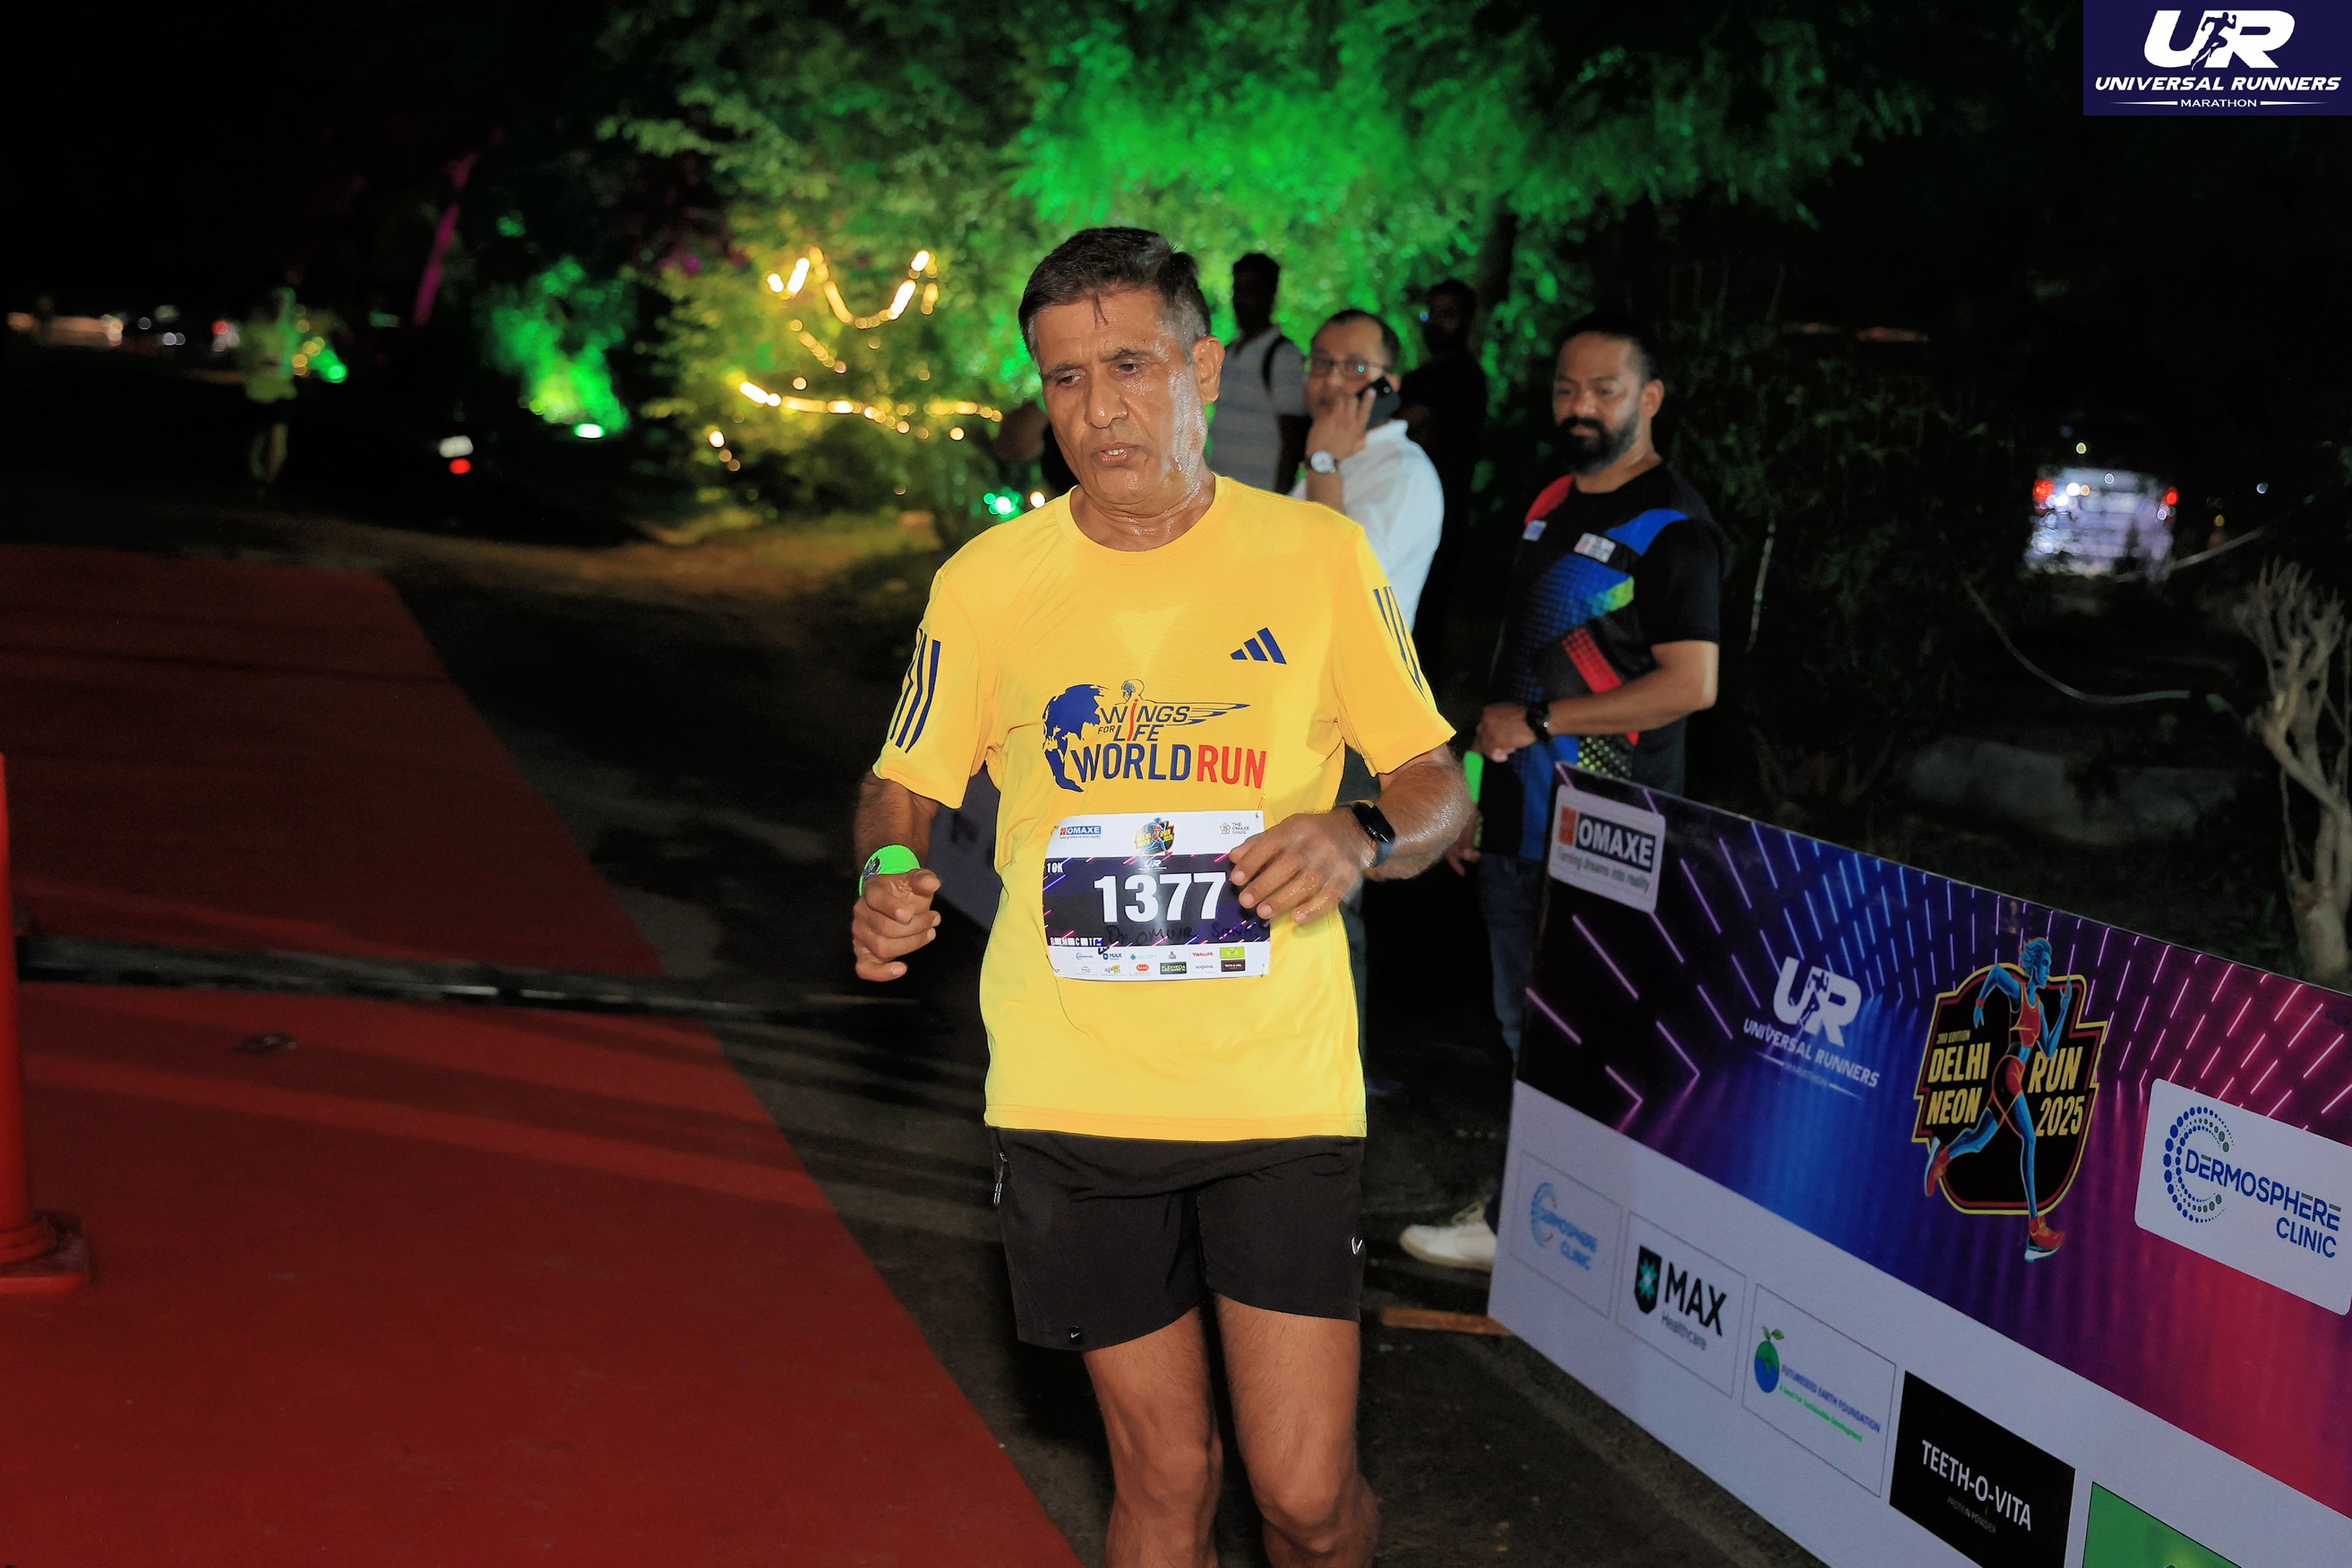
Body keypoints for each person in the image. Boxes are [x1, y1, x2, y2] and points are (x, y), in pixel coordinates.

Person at [850, 227, 1471, 1567]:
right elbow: (900, 784)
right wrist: (889, 871)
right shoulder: (989, 581)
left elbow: (1437, 785)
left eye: (1130, 364)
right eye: (1065, 377)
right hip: (1072, 1091)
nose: (1097, 408)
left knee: (1305, 1500)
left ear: (1202, 368)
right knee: (1166, 1477)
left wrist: (1359, 829)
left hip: (1276, 1090)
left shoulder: (1317, 557)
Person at [1400, 312, 1724, 1272]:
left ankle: (1545, 1227)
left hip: (1606, 827)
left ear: (1649, 399)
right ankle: (1534, 1214)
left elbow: (1691, 684)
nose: (1580, 407)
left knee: (1583, 1035)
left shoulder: (1674, 528)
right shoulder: (1549, 502)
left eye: (1604, 390)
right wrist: (1473, 793)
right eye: (1566, 389)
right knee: (1521, 1027)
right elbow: (1516, 665)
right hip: (1517, 813)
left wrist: (1542, 724)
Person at [1290, 308, 1444, 1087]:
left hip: (1354, 718)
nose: (1333, 380)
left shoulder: (1402, 472)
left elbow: (1340, 588)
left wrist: (1324, 458)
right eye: (1321, 362)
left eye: (1355, 367)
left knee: (1327, 887)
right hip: (1297, 708)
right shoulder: (1333, 462)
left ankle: (1335, 1080)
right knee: (1294, 883)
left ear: (1392, 382)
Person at [1922, 937, 2069, 1261]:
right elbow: (1995, 973)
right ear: (2033, 965)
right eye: (2045, 964)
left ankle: (1942, 1156)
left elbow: (2048, 1049)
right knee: (2030, 1139)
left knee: (1978, 1141)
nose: (2048, 970)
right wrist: (1979, 1004)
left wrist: (2064, 1010)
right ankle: (2035, 1229)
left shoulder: (2041, 1006)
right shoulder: (2020, 992)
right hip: (2008, 1072)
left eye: (2050, 964)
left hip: (2013, 1075)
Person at [1395, 278, 1488, 673]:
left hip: (1443, 509)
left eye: (1447, 314)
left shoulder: (1463, 376)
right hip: (1403, 507)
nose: (1435, 322)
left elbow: (1402, 427)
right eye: (1430, 313)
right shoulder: (1419, 376)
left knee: (1427, 609)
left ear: (1467, 320)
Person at [1206, 252, 1309, 493]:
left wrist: (1280, 500)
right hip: (1223, 492)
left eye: (1251, 289)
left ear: (1271, 294)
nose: (1241, 299)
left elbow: (1292, 438)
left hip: (1261, 494)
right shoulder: (1229, 351)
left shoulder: (1283, 356)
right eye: (1237, 289)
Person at [242, 287, 300, 491]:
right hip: (258, 389)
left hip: (283, 390)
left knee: (278, 437)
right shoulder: (254, 329)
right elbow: (243, 360)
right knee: (256, 437)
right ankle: (254, 478)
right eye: (278, 303)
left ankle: (269, 482)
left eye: (285, 304)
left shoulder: (293, 332)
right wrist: (260, 363)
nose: (281, 308)